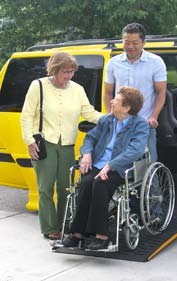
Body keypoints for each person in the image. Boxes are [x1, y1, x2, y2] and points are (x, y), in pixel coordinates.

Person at [21, 51, 103, 240]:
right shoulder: (38, 86)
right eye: (65, 72)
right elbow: (26, 116)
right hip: (43, 143)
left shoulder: (77, 89)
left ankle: (64, 224)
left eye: (72, 72)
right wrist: (29, 141)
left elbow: (89, 112)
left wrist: (112, 118)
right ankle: (50, 227)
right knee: (45, 187)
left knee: (66, 187)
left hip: (67, 144)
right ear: (55, 69)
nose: (68, 76)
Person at [62, 86, 150, 250]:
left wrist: (111, 165)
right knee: (86, 183)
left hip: (119, 167)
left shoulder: (140, 125)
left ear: (127, 107)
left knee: (100, 185)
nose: (111, 101)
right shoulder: (107, 120)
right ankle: (77, 233)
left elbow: (135, 150)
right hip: (98, 163)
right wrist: (87, 153)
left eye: (116, 100)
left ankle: (101, 236)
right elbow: (90, 138)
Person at [104, 22, 167, 162]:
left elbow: (161, 92)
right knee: (118, 165)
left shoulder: (156, 62)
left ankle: (154, 184)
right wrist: (111, 116)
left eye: (135, 42)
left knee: (149, 167)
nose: (130, 46)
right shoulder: (113, 63)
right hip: (119, 125)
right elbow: (107, 93)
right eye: (126, 42)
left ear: (143, 42)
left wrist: (153, 116)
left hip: (144, 124)